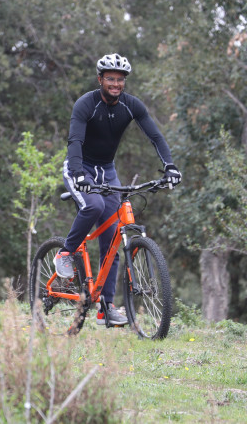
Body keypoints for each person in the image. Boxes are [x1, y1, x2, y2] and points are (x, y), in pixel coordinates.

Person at [55, 53, 182, 326]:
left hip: (107, 171)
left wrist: (169, 166)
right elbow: (75, 141)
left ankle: (106, 307)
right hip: (80, 168)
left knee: (112, 239)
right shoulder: (85, 104)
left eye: (120, 80)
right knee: (95, 206)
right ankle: (65, 252)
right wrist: (78, 174)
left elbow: (155, 136)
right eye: (110, 79)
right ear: (100, 79)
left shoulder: (131, 105)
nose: (115, 84)